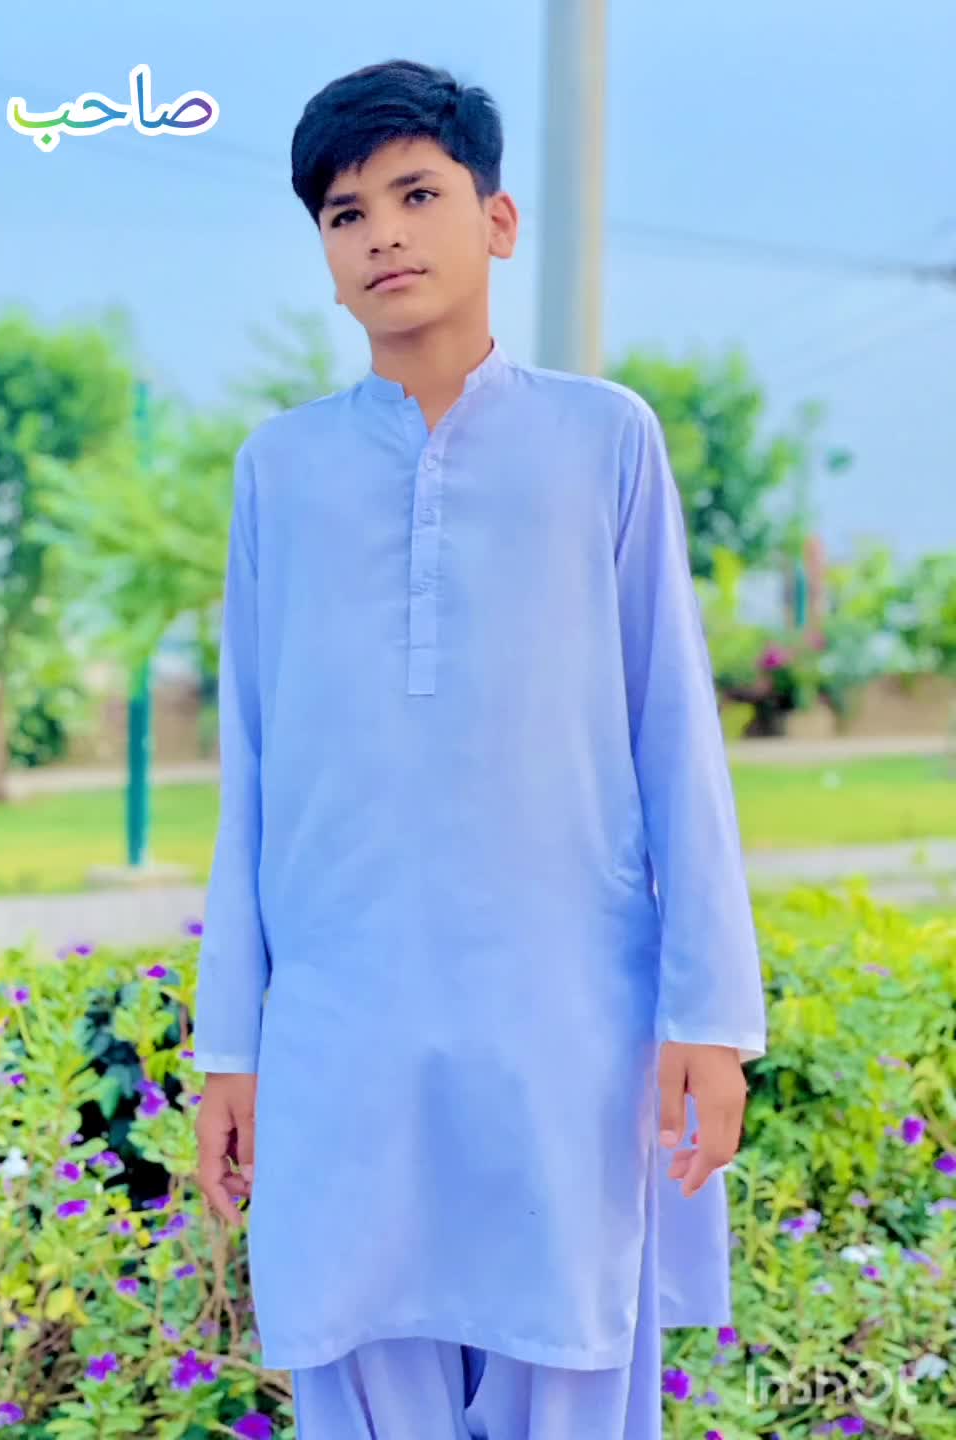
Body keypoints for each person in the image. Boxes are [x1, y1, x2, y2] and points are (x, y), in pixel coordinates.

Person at [192, 57, 767, 1439]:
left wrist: (710, 1018)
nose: (381, 234)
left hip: (563, 1020)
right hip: (345, 1028)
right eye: (344, 214)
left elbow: (674, 735)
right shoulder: (280, 471)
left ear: (497, 221)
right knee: (355, 1340)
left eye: (416, 195)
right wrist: (232, 1045)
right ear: (325, 257)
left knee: (565, 1340)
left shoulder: (602, 440)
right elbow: (252, 773)